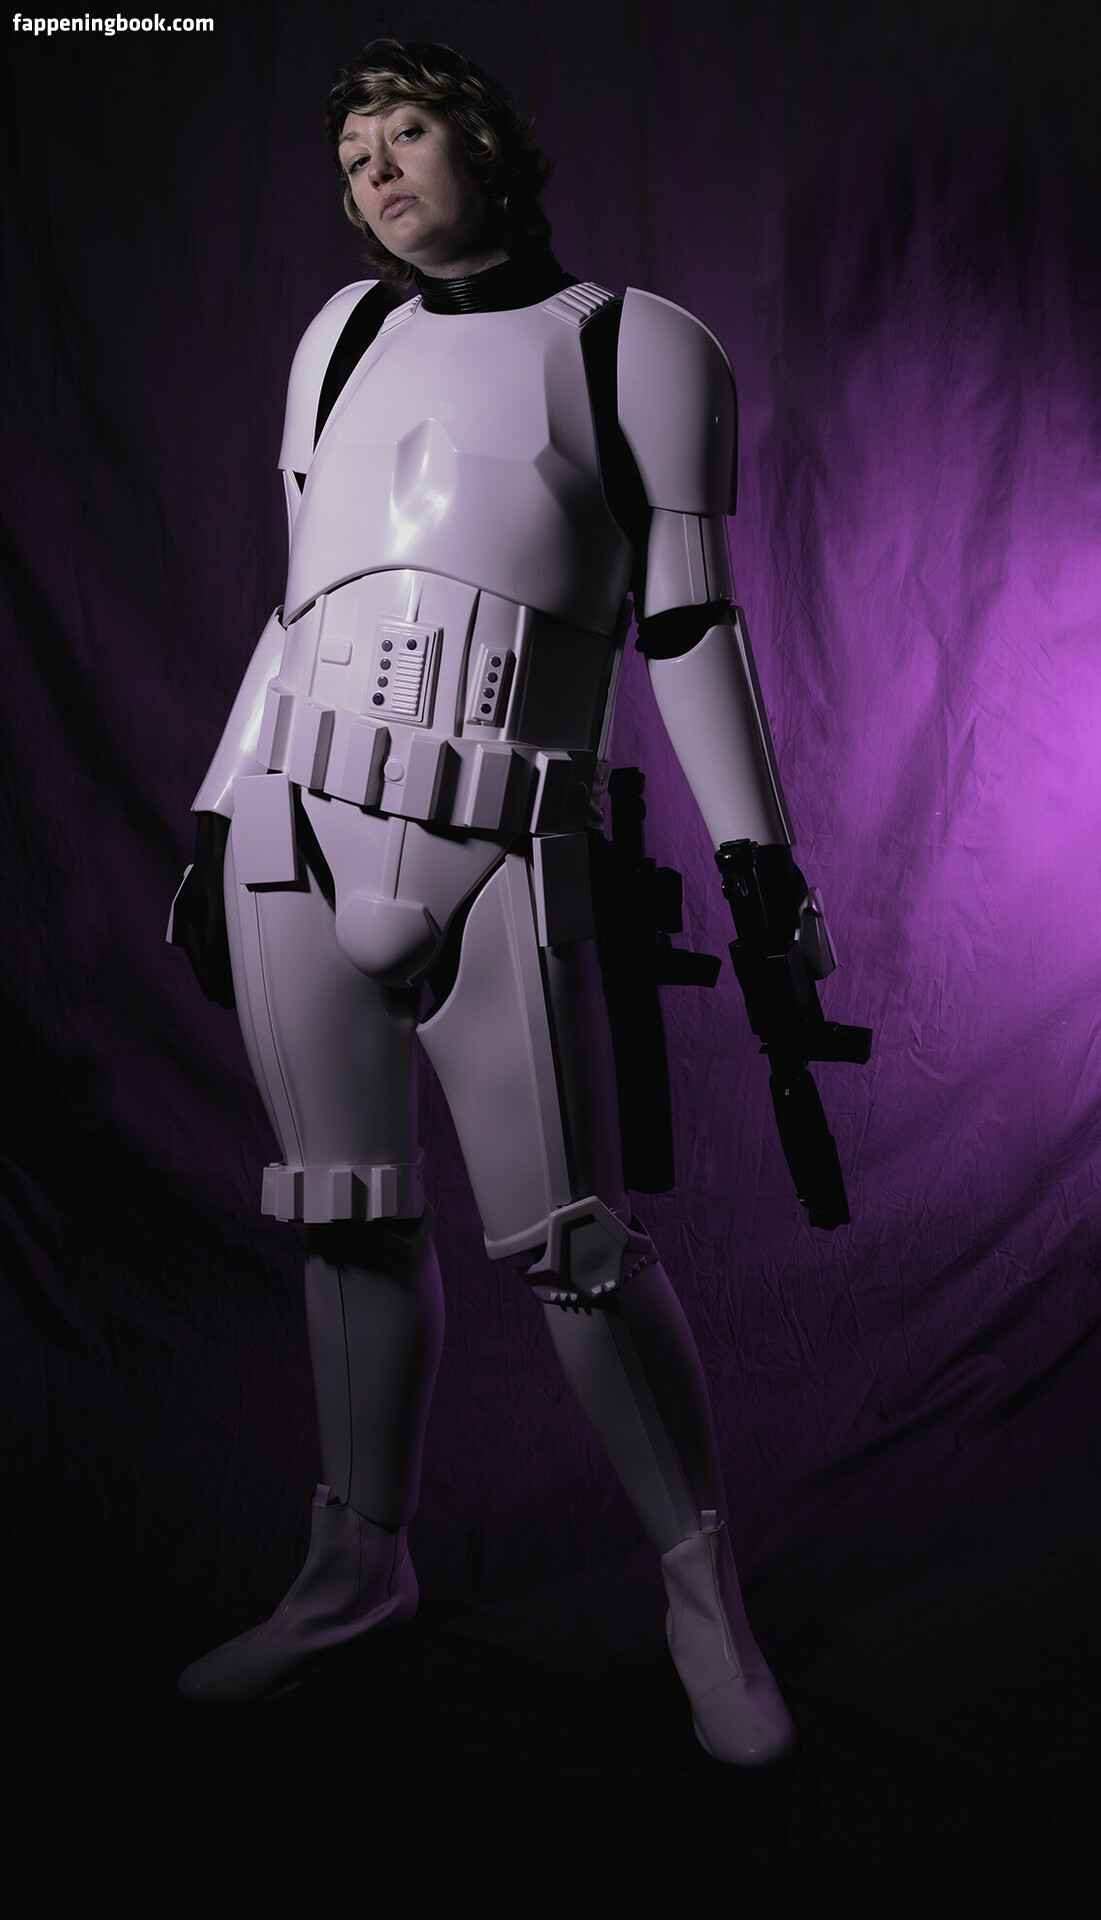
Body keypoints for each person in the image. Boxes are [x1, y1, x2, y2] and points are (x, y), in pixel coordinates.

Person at [170, 38, 813, 1767]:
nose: (375, 170)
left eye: (406, 132)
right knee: (342, 1215)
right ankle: (349, 1572)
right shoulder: (339, 339)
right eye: (351, 153)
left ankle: (702, 1600)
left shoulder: (635, 345)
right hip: (292, 834)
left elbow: (687, 623)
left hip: (509, 848)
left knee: (577, 1247)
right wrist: (215, 813)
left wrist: (758, 861)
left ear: (489, 143)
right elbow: (296, 605)